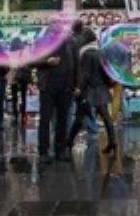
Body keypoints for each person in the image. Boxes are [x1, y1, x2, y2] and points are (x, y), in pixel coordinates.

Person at [69, 29, 119, 154]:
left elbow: (85, 74)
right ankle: (112, 142)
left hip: (89, 90)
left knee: (80, 117)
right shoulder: (101, 53)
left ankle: (68, 141)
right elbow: (106, 72)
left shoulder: (86, 53)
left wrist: (79, 88)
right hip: (101, 88)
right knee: (105, 116)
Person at [36, 34, 77, 164]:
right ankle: (43, 151)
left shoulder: (71, 41)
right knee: (45, 119)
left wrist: (77, 85)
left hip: (66, 87)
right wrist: (46, 62)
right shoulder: (44, 40)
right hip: (48, 86)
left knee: (63, 119)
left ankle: (60, 150)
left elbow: (76, 64)